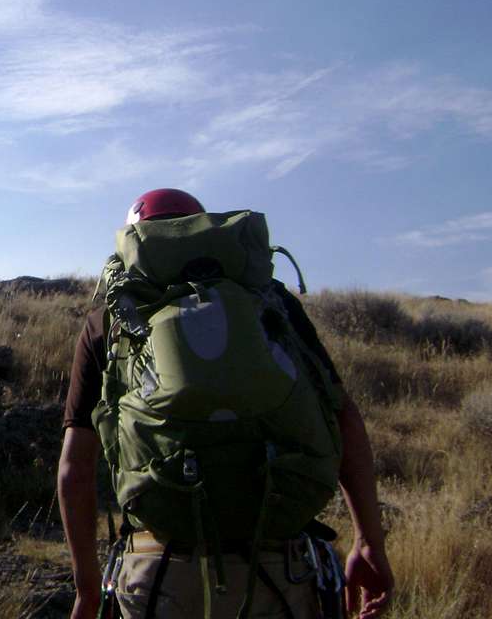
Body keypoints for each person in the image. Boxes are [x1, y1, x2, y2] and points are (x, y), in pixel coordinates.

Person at [58, 189, 394, 619]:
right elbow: (343, 418)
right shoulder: (268, 300)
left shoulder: (111, 316)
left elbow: (76, 467)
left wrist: (87, 588)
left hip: (160, 570)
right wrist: (369, 542)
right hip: (281, 565)